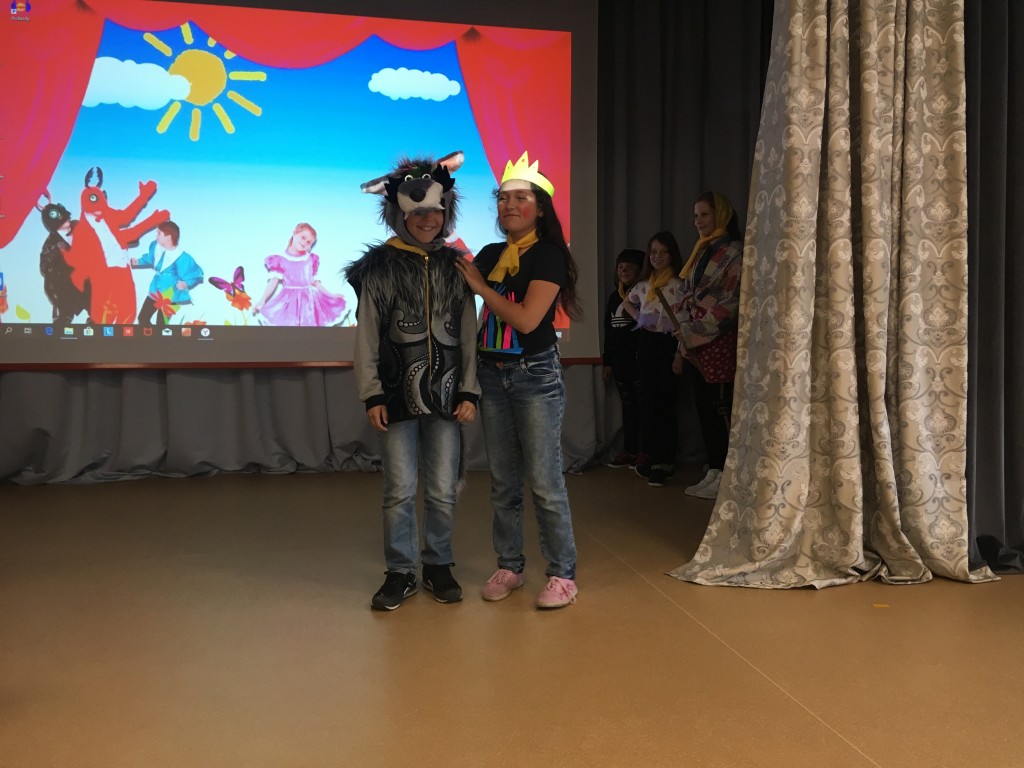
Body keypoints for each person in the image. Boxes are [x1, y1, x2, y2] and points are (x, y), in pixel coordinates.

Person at [345, 155, 479, 611]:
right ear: (400, 213)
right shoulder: (379, 268)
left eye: (435, 211)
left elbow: (468, 333)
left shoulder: (456, 267)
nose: (427, 219)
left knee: (441, 489)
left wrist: (469, 389)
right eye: (417, 211)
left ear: (446, 213)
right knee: (399, 490)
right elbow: (367, 334)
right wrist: (371, 393)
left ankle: (438, 564)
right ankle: (400, 571)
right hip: (395, 397)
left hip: (447, 397)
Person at [455, 151, 581, 610]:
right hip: (492, 375)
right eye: (503, 198)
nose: (509, 205)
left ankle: (562, 575)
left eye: (521, 198)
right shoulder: (490, 254)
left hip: (534, 375)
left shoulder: (549, 255)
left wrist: (482, 288)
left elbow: (527, 320)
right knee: (503, 483)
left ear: (540, 209)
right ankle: (509, 565)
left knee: (545, 482)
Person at [672, 191, 743, 499]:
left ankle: (727, 471)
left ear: (721, 216)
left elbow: (731, 302)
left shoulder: (735, 253)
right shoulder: (702, 251)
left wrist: (695, 328)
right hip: (694, 342)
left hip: (718, 342)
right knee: (703, 408)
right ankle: (714, 468)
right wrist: (684, 327)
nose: (698, 221)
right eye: (695, 216)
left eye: (705, 215)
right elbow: (686, 293)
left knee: (719, 408)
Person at [621, 231, 685, 487]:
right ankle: (651, 457)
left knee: (666, 404)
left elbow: (685, 322)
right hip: (646, 345)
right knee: (648, 403)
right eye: (653, 252)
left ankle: (665, 461)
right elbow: (626, 302)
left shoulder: (678, 285)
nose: (657, 257)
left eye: (663, 252)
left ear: (672, 255)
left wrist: (679, 354)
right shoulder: (644, 284)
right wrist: (639, 317)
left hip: (669, 345)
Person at [253, 222, 346, 326]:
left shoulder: (310, 259)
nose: (304, 242)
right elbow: (273, 282)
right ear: (294, 233)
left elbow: (315, 282)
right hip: (289, 302)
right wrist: (262, 300)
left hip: (309, 302)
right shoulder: (280, 260)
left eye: (309, 242)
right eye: (303, 237)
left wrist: (331, 295)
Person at [603, 248, 645, 468]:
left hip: (640, 360)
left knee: (644, 405)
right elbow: (609, 331)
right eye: (620, 267)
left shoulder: (644, 294)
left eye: (629, 267)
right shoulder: (614, 297)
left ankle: (645, 452)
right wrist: (607, 361)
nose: (624, 271)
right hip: (620, 362)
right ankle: (630, 450)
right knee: (628, 408)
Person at [132, 221, 204, 325]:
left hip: (171, 293)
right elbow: (151, 258)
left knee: (161, 323)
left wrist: (186, 283)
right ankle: (151, 335)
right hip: (155, 289)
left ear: (168, 237)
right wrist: (138, 261)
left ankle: (159, 335)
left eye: (159, 234)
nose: (156, 236)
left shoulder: (181, 256)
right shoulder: (156, 247)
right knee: (143, 318)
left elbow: (195, 272)